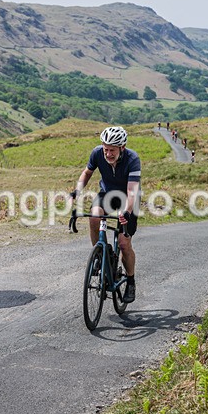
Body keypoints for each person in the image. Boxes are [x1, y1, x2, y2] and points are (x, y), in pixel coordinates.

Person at [71, 126, 141, 303]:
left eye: (112, 150)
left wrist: (126, 212)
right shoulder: (97, 153)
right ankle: (100, 254)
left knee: (124, 244)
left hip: (128, 198)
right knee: (95, 216)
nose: (108, 154)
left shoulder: (133, 159)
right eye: (106, 149)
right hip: (107, 195)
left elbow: (132, 192)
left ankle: (130, 281)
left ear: (122, 148)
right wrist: (77, 191)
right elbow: (87, 172)